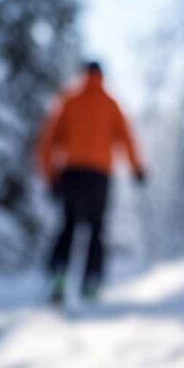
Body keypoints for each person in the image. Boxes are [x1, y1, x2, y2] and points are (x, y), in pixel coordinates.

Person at [38, 61, 146, 304]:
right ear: (101, 76)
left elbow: (48, 140)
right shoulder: (110, 104)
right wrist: (137, 168)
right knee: (97, 229)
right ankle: (91, 281)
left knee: (68, 225)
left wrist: (50, 176)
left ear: (84, 75)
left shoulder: (69, 100)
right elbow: (127, 138)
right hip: (99, 176)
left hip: (72, 174)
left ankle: (59, 276)